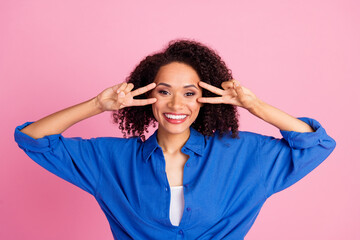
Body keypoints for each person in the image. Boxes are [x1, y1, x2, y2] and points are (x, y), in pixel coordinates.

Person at [14, 39, 336, 240]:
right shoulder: (113, 162)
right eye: (164, 92)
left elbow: (316, 145)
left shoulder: (238, 155)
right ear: (148, 96)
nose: (176, 105)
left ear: (205, 99)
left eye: (190, 93)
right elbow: (33, 138)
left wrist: (253, 105)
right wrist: (98, 105)